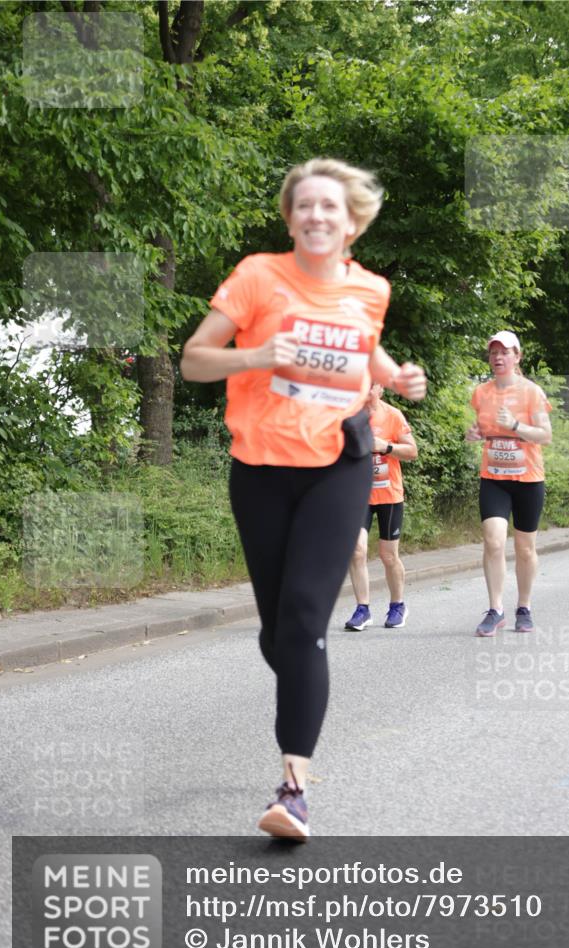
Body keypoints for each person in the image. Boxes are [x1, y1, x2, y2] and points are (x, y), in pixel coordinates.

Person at [180, 158, 426, 840]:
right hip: (257, 468)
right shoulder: (258, 276)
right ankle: (299, 681)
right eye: (304, 207)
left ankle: (292, 789)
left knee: (304, 621)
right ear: (289, 218)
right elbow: (194, 360)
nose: (317, 216)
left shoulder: (370, 289)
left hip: (337, 464)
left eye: (330, 208)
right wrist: (260, 355)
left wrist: (396, 376)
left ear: (352, 223)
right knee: (276, 632)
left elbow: (364, 348)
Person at [466, 331, 552, 637]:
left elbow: (545, 435)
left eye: (505, 352)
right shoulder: (481, 393)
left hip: (528, 479)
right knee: (493, 540)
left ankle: (524, 607)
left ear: (517, 357)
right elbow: (484, 428)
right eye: (493, 352)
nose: (498, 357)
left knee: (525, 549)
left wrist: (516, 425)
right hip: (494, 478)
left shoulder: (532, 392)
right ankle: (496, 609)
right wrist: (476, 433)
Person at [344, 382, 418, 630]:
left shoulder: (393, 415)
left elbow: (412, 451)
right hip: (358, 495)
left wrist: (384, 446)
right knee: (356, 550)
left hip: (389, 496)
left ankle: (398, 605)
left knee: (388, 555)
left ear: (380, 389)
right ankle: (362, 609)